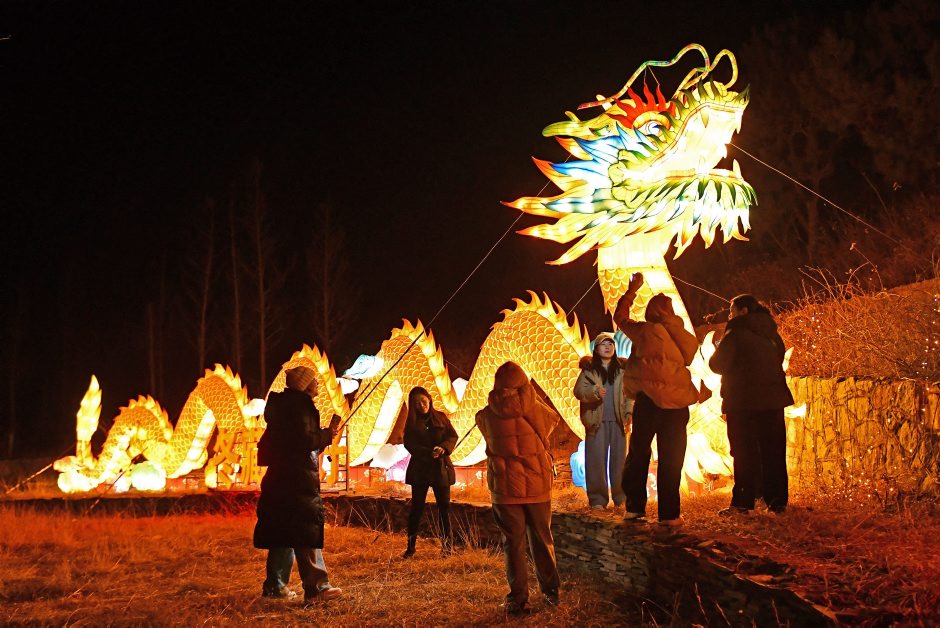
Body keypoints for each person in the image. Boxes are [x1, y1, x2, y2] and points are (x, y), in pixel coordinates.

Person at [475, 361, 561, 616]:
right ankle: (551, 591)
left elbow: (485, 431)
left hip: (504, 488)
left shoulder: (485, 416)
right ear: (524, 383)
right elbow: (553, 422)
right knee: (542, 539)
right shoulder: (537, 410)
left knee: (513, 544)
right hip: (537, 485)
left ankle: (518, 599)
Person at [614, 273, 699, 527]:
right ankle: (669, 515)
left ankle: (635, 508)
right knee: (672, 457)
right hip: (677, 403)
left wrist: (631, 291)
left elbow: (620, 318)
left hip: (649, 401)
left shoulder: (643, 330)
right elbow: (690, 355)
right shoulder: (682, 334)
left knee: (639, 454)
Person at [253, 366, 343, 603]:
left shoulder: (284, 407)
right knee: (305, 531)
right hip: (297, 481)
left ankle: (275, 587)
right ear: (304, 384)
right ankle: (317, 588)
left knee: (284, 532)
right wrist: (325, 435)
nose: (317, 383)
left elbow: (295, 445)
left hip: (281, 479)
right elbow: (302, 442)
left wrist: (323, 437)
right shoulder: (299, 407)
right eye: (314, 380)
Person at [709, 294, 794, 515]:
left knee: (744, 453)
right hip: (773, 400)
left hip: (743, 402)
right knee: (773, 452)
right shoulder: (771, 332)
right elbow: (779, 357)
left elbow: (717, 364)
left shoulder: (736, 332)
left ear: (743, 311)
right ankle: (777, 502)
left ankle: (743, 502)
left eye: (732, 310)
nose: (729, 316)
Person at [573, 332, 633, 510]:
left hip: (618, 422)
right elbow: (578, 391)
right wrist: (594, 391)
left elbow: (629, 395)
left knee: (620, 462)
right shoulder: (589, 371)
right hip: (596, 422)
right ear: (596, 349)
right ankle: (598, 500)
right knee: (596, 462)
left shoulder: (622, 371)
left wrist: (629, 412)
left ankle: (621, 498)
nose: (608, 347)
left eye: (610, 344)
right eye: (603, 344)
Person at [402, 386, 458, 558]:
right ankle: (410, 547)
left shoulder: (440, 417)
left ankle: (447, 547)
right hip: (420, 470)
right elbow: (409, 443)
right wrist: (428, 452)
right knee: (417, 508)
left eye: (423, 401)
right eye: (416, 403)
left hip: (440, 468)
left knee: (444, 509)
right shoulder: (411, 422)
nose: (421, 405)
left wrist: (443, 448)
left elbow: (452, 436)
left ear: (429, 399)